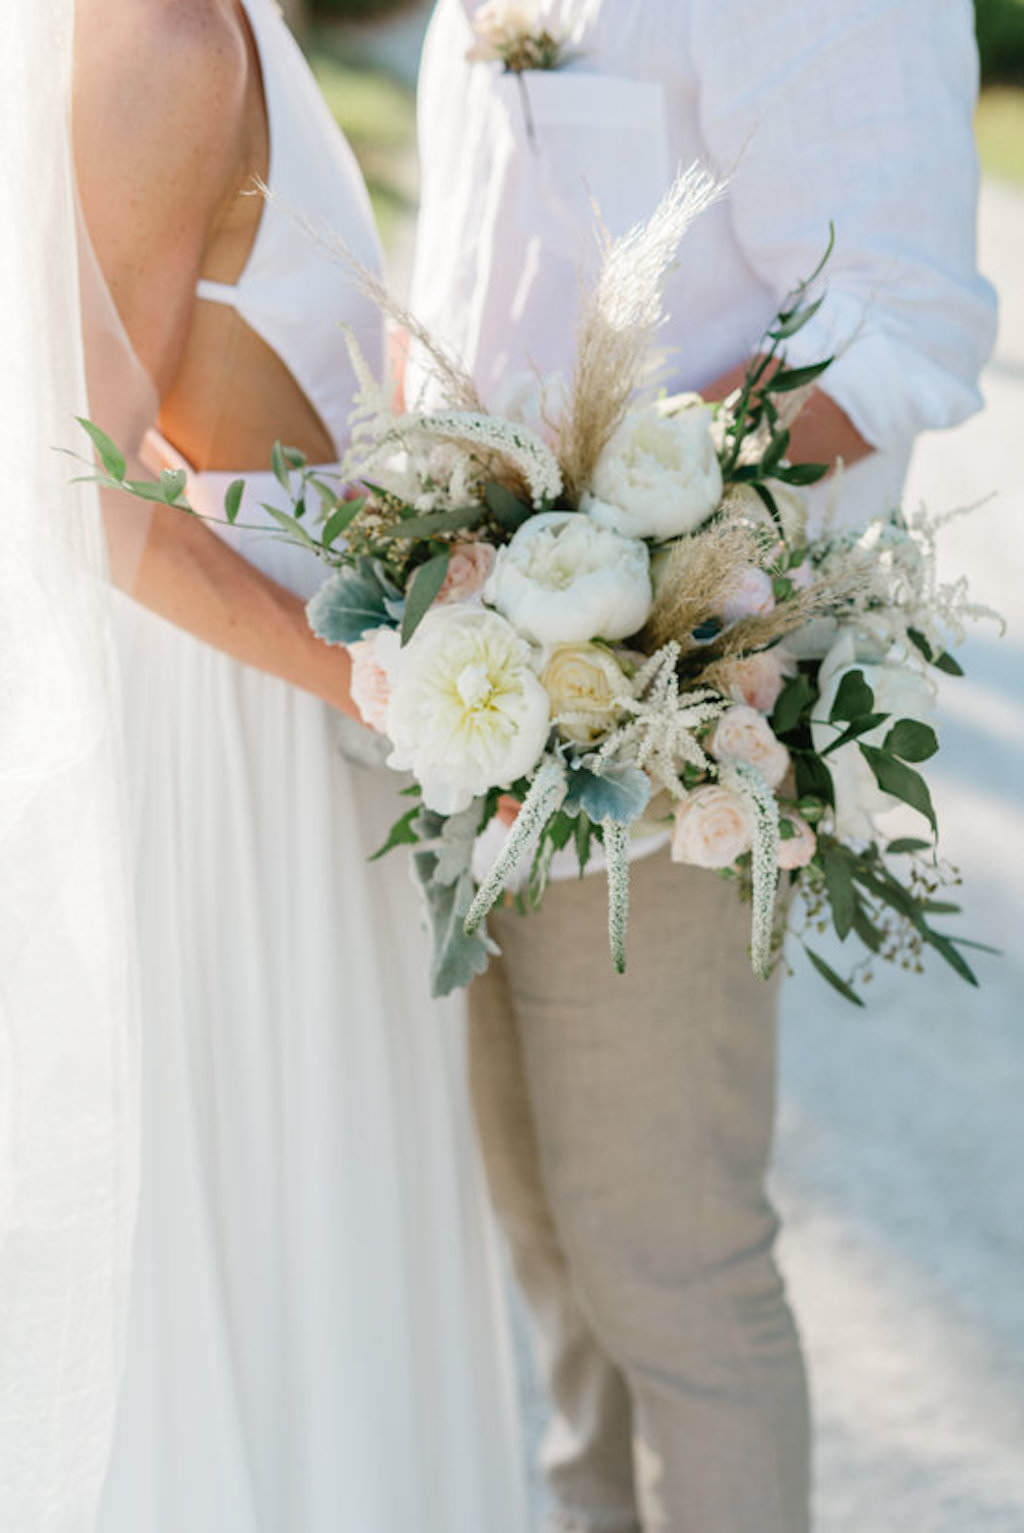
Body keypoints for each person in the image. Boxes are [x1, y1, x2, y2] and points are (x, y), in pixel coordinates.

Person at [409, 3, 997, 1530]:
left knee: (670, 1273)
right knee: (551, 1259)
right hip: (477, 687)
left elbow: (904, 318)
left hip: (670, 706)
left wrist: (626, 539)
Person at [69, 3, 528, 1529]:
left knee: (335, 1231)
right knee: (276, 1241)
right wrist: (383, 682)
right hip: (236, 734)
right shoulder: (163, 43)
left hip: (304, 701)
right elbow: (82, 487)